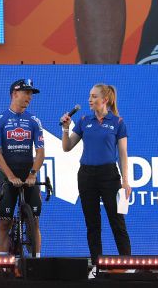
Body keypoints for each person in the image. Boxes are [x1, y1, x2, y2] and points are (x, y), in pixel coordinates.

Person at [60, 84, 131, 264]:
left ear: (104, 100)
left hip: (109, 175)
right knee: (93, 224)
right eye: (89, 96)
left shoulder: (118, 122)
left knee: (117, 222)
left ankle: (128, 264)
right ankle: (97, 265)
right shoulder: (84, 120)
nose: (89, 100)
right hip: (86, 176)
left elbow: (123, 154)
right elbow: (67, 147)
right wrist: (66, 128)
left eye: (93, 96)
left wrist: (126, 181)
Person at [0, 79, 45, 255]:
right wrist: (9, 176)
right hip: (8, 174)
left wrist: (33, 174)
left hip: (28, 173)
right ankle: (1, 264)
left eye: (31, 94)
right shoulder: (0, 120)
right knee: (4, 222)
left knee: (35, 221)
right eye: (26, 93)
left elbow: (40, 152)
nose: (29, 97)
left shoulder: (34, 121)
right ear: (15, 93)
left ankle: (36, 260)